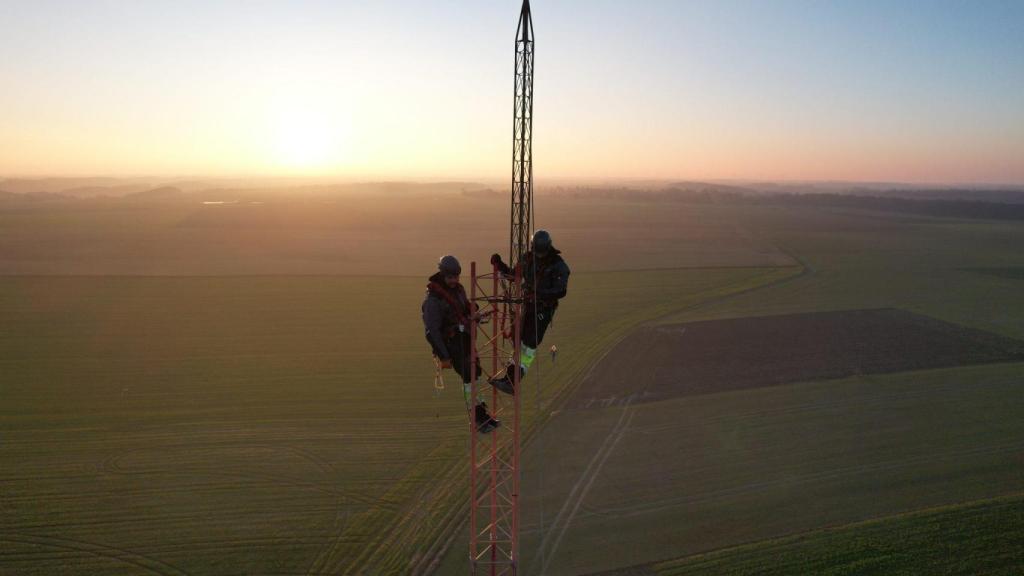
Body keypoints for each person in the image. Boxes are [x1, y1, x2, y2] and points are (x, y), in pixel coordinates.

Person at [422, 255, 500, 433]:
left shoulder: (458, 290)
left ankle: (482, 415)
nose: (454, 280)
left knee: (475, 374)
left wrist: (473, 311)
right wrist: (444, 356)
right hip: (451, 344)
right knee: (468, 376)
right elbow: (431, 332)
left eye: (456, 277)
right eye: (450, 277)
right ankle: (477, 418)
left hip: (464, 339)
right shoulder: (433, 300)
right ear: (443, 275)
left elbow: (464, 307)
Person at [488, 229, 570, 393]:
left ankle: (512, 381)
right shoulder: (527, 259)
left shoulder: (557, 265)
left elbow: (560, 291)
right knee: (521, 344)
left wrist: (538, 293)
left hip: (543, 309)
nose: (539, 255)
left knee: (529, 344)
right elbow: (514, 276)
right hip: (529, 307)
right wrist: (500, 265)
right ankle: (510, 380)